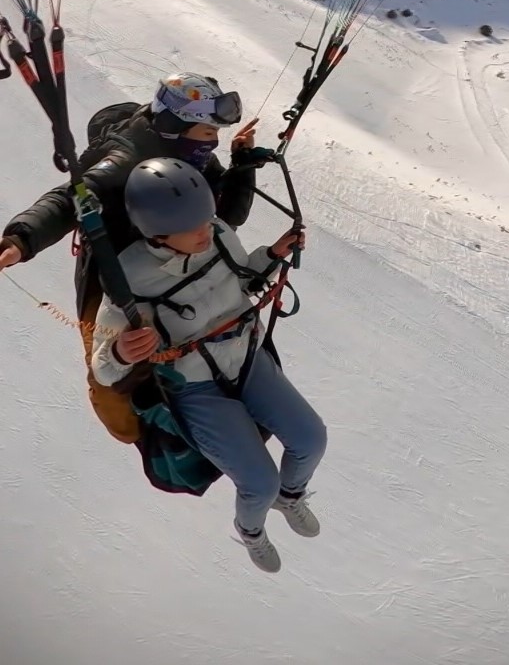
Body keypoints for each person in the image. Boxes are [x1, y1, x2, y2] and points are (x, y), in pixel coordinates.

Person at [91, 157, 327, 574]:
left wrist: (271, 255)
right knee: (258, 482)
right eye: (195, 227)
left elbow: (241, 281)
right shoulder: (128, 279)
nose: (207, 230)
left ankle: (290, 497)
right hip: (197, 388)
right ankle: (251, 530)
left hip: (247, 359)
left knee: (311, 438)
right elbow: (104, 369)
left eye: (207, 219)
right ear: (158, 233)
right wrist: (124, 352)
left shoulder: (215, 234)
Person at [0, 71, 260, 319]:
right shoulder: (126, 162)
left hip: (171, 275)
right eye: (208, 132)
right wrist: (21, 240)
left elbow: (228, 217)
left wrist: (243, 165)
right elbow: (70, 201)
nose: (213, 142)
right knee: (110, 355)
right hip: (113, 279)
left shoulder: (192, 159)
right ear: (175, 126)